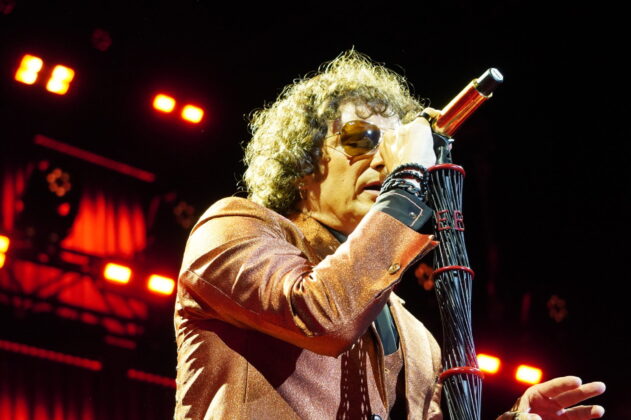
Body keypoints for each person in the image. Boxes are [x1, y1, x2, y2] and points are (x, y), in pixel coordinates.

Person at [173, 51, 605, 419]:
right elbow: (324, 316)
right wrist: (404, 183)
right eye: (361, 139)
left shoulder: (418, 340)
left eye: (394, 149)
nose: (384, 162)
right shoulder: (232, 228)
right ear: (302, 162)